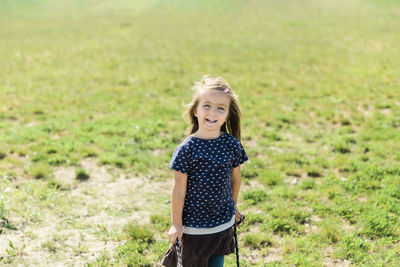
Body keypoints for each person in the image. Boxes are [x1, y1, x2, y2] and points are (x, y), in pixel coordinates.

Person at [161, 75, 248, 267]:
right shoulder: (187, 149)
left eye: (220, 108)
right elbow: (178, 190)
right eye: (207, 105)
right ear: (195, 110)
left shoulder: (231, 144)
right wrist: (176, 224)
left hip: (222, 224)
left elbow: (236, 178)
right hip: (194, 228)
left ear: (227, 114)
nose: (213, 112)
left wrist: (233, 206)